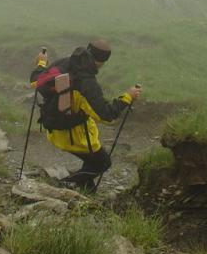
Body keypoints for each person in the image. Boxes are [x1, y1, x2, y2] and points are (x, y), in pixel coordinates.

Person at [43, 39, 141, 191]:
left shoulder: (65, 62)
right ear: (102, 62)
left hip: (52, 124)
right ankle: (65, 183)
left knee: (93, 160)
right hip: (71, 133)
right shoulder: (86, 83)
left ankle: (86, 188)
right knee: (102, 163)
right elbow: (107, 116)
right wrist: (127, 96)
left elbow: (35, 80)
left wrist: (41, 62)